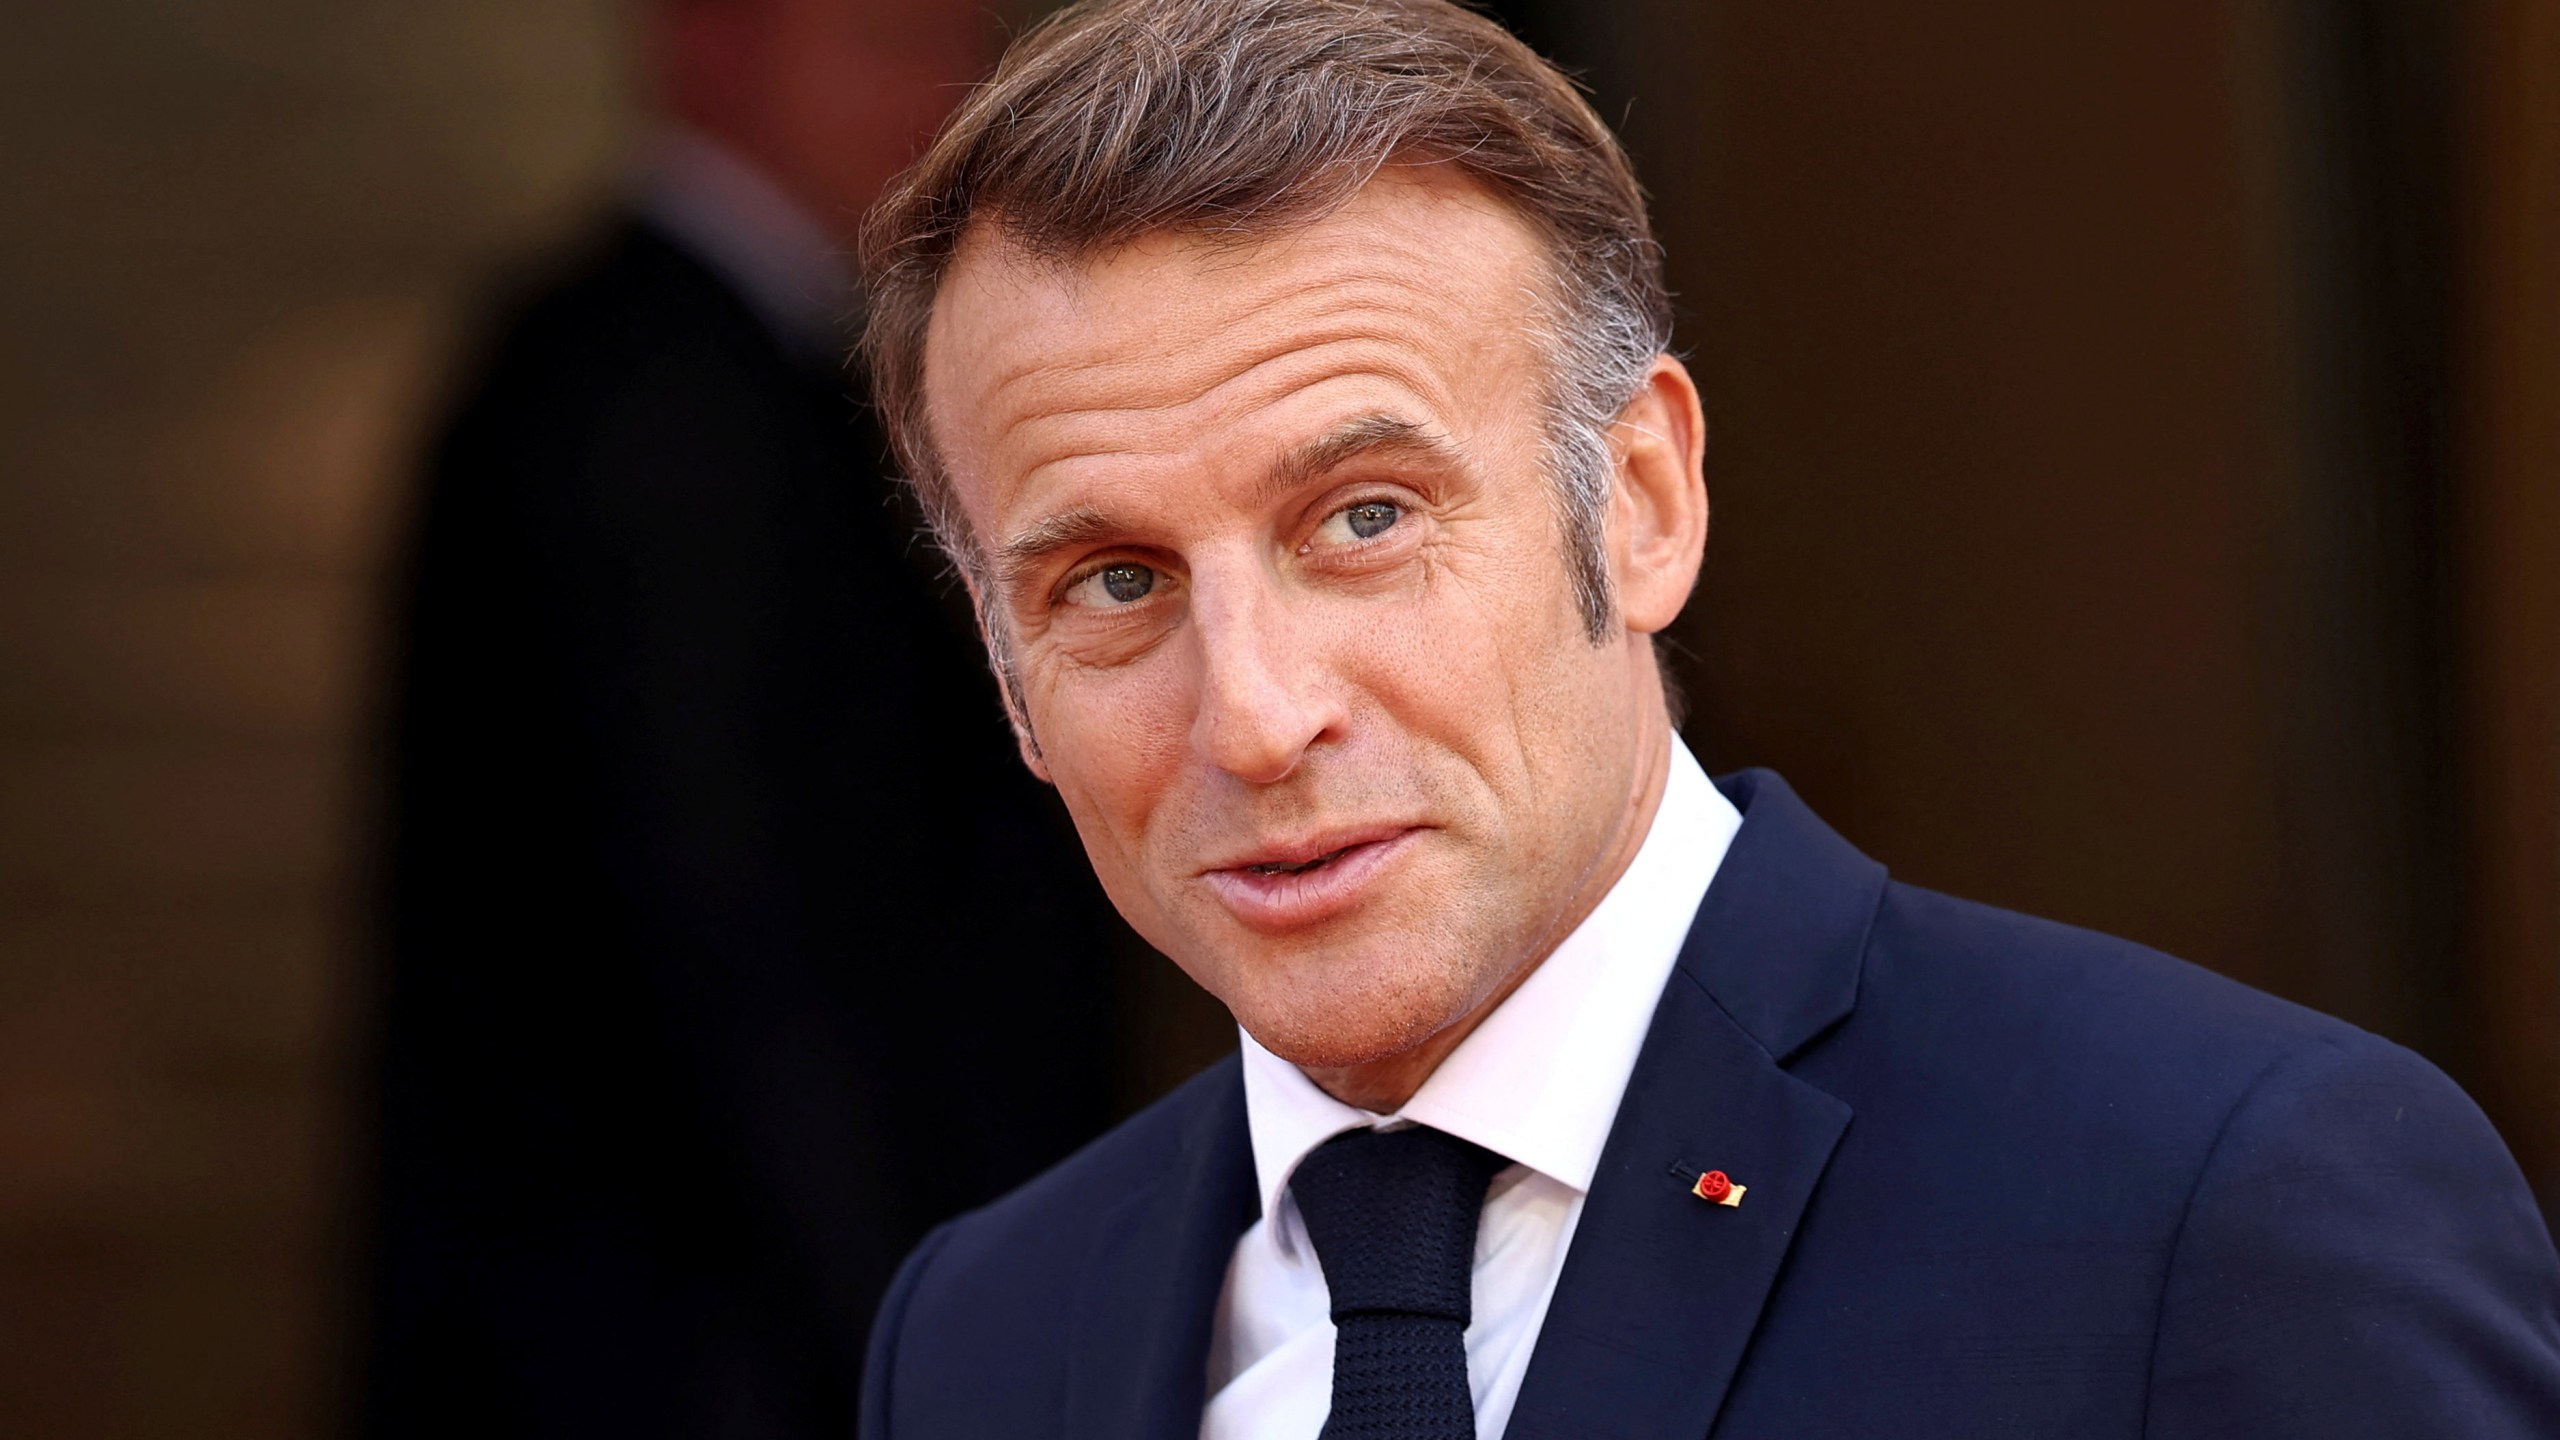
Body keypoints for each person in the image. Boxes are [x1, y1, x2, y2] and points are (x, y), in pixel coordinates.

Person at [846, 0, 2560, 1436]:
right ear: (1007, 674)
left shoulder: (2220, 1206)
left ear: (1645, 506)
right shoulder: (982, 1338)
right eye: (1115, 582)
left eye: (1365, 519)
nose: (1255, 718)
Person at [361, 2, 1125, 1433]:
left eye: (968, 45)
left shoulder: (752, 364)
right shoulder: (653, 396)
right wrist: (937, 1349)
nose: (950, 100)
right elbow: (752, 936)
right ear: (711, 43)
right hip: (698, 1357)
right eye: (889, 42)